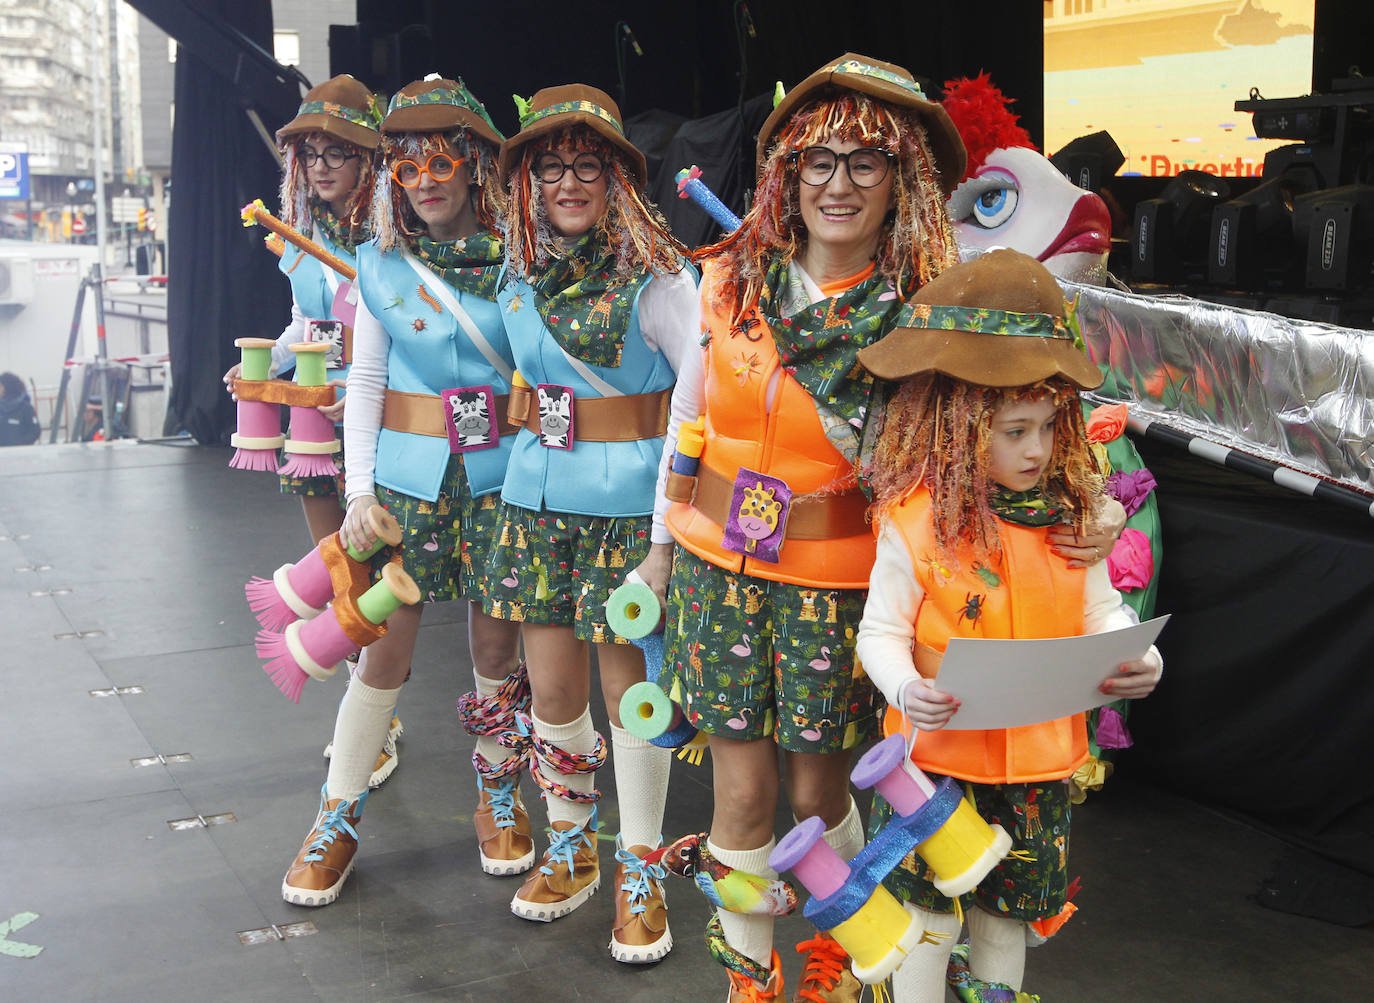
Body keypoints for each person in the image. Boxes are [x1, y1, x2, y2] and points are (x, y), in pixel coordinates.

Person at [645, 55, 1123, 1002]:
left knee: (823, 795)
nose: (838, 183)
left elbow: (1023, 412)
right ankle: (748, 976)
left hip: (842, 581)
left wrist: (1091, 502)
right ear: (787, 172)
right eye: (817, 161)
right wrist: (661, 547)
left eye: (866, 162)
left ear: (903, 175)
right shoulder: (731, 281)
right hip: (716, 571)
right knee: (739, 794)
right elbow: (688, 419)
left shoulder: (933, 303)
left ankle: (841, 958)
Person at [854, 248, 1163, 1002]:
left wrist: (1136, 662)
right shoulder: (914, 522)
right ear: (962, 431)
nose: (1036, 449)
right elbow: (880, 633)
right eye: (1014, 430)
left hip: (1037, 768)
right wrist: (905, 685)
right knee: (928, 917)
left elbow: (1103, 614)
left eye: (1049, 427)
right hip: (933, 766)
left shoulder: (1074, 520)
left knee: (1008, 919)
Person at [279, 75, 524, 906]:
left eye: (442, 157)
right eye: (407, 161)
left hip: (500, 478)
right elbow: (370, 380)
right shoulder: (380, 262)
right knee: (381, 649)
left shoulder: (524, 256)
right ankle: (337, 814)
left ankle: (499, 791)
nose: (425, 177)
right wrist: (356, 494)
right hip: (405, 481)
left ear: (477, 164)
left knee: (497, 652)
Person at [479, 84, 696, 964]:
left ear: (617, 177)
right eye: (553, 166)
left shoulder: (664, 277)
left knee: (629, 697)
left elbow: (698, 403)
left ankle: (638, 867)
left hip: (629, 520)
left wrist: (664, 540)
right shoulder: (513, 268)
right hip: (534, 505)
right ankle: (570, 845)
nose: (570, 182)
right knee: (556, 693)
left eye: (588, 165)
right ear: (529, 178)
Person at [224, 75, 404, 788]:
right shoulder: (301, 239)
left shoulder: (398, 238)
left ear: (371, 162)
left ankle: (379, 714)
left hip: (384, 428)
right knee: (337, 568)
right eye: (314, 153)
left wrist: (364, 399)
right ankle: (378, 723)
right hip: (313, 422)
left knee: (379, 576)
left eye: (341, 152)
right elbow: (311, 326)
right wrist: (260, 368)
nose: (324, 165)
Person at [0, 372, 41, 446]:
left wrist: (20, 443)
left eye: (0, 386)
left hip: (19, 453)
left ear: (8, 387)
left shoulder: (25, 408)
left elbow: (35, 431)